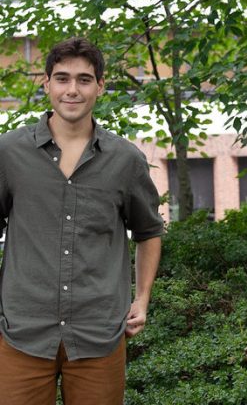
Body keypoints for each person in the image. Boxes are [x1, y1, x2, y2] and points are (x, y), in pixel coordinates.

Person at [0, 37, 164, 404]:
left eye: (84, 79)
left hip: (98, 334)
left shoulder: (125, 160)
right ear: (46, 84)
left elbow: (149, 230)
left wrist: (143, 298)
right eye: (62, 78)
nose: (72, 89)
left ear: (100, 86)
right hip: (20, 333)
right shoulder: (9, 153)